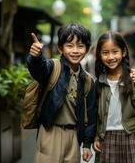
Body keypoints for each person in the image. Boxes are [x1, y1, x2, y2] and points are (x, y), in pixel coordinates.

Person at [27, 23, 97, 163]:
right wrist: (35, 58)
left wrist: (87, 144)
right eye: (70, 46)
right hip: (50, 132)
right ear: (61, 48)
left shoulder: (88, 80)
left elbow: (91, 115)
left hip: (73, 136)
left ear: (87, 49)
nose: (75, 50)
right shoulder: (53, 67)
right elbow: (39, 70)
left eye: (80, 46)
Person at [93, 31, 135, 163]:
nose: (111, 57)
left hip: (132, 136)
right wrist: (96, 137)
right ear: (100, 54)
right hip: (107, 138)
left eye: (115, 51)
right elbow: (94, 115)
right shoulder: (98, 82)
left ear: (123, 52)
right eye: (105, 53)